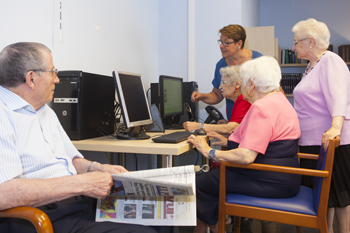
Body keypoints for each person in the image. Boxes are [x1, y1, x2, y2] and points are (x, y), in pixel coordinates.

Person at [0, 42, 176, 233]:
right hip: (42, 216)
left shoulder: (45, 111)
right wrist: (82, 183)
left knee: (164, 216)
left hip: (77, 201)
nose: (57, 80)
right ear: (31, 78)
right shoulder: (4, 115)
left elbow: (72, 161)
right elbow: (5, 193)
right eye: (53, 72)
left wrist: (97, 167)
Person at [187, 56, 301, 233]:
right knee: (210, 181)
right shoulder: (279, 100)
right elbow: (269, 140)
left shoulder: (261, 107)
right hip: (284, 176)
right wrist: (229, 141)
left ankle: (216, 226)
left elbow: (246, 156)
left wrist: (208, 151)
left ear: (252, 85)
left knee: (199, 183)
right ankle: (216, 223)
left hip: (267, 179)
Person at [292, 18, 350, 233]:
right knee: (327, 199)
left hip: (329, 140)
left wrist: (336, 127)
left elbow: (338, 96)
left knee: (340, 197)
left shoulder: (330, 60)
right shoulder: (311, 66)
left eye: (297, 42)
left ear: (310, 41)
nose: (294, 46)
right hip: (313, 141)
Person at [191, 24, 262, 121]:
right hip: (235, 122)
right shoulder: (221, 65)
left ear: (239, 44)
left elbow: (275, 92)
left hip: (258, 120)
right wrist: (202, 96)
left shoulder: (259, 61)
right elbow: (217, 94)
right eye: (221, 42)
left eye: (226, 43)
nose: (221, 46)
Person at [183, 65, 250, 138]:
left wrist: (199, 126)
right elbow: (239, 129)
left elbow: (231, 129)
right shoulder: (239, 101)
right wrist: (227, 125)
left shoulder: (244, 100)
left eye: (223, 82)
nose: (220, 87)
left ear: (237, 84)